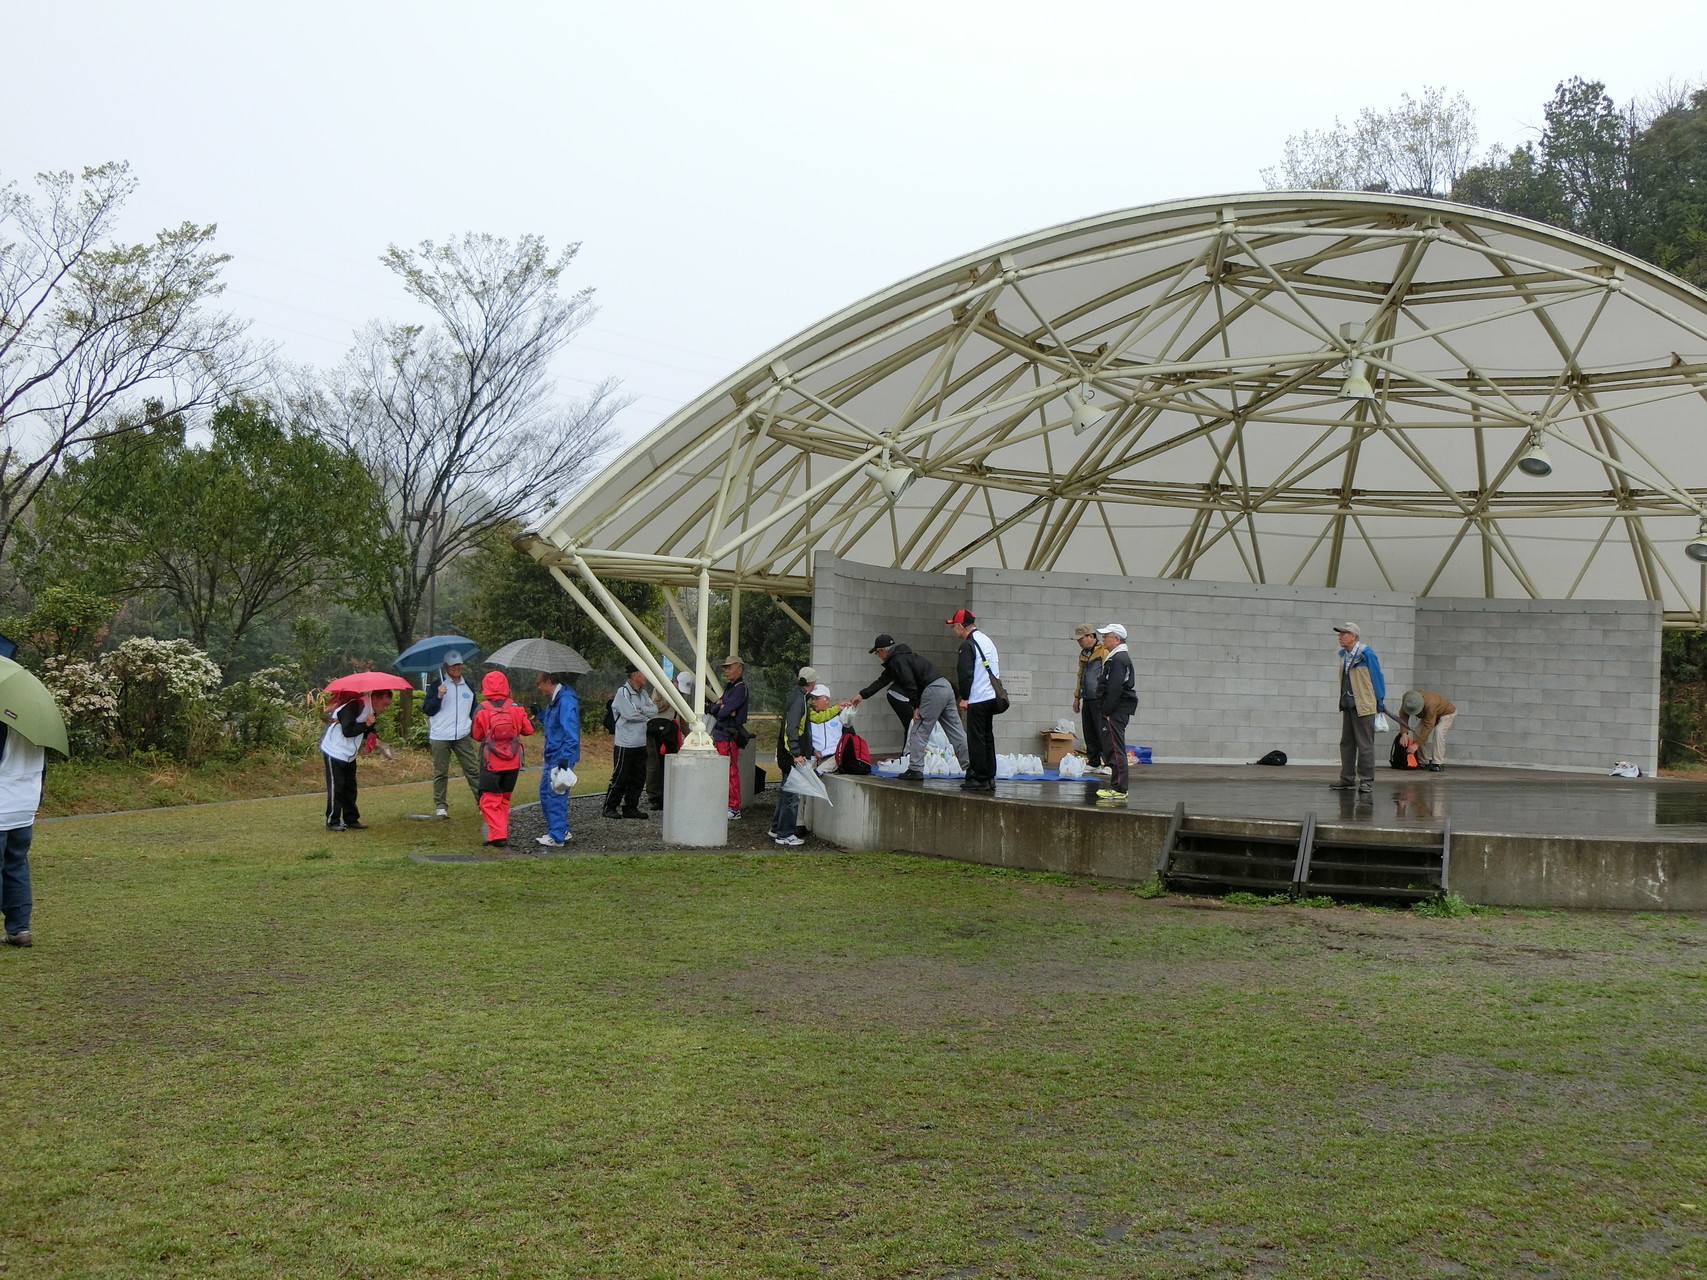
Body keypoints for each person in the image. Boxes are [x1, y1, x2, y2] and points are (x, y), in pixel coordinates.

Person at [843, 634, 968, 780]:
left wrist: (916, 706)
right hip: (945, 686)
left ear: (883, 650)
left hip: (932, 690)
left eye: (877, 653)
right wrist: (862, 695)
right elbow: (882, 681)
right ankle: (971, 767)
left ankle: (915, 769)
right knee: (956, 730)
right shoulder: (903, 657)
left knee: (918, 730)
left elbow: (909, 682)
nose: (878, 656)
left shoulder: (897, 660)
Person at [471, 670, 534, 845]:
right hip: (513, 762)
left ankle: (498, 835)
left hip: (491, 763)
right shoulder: (516, 707)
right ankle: (496, 834)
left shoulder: (482, 708)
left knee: (489, 800)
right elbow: (529, 730)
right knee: (504, 799)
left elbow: (476, 735)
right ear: (506, 685)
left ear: (485, 686)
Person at [0, 723, 46, 947]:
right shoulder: (37, 725)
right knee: (16, 866)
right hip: (25, 804)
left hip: (3, 801)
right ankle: (19, 929)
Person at [321, 689, 392, 831]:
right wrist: (366, 724)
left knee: (350, 788)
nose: (385, 708)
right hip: (334, 750)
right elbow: (347, 731)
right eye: (385, 704)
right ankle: (333, 821)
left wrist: (377, 742)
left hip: (349, 754)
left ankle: (351, 819)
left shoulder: (371, 710)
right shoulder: (355, 705)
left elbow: (368, 731)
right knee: (337, 788)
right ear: (375, 698)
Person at [1331, 622, 1388, 794]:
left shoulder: (1366, 654)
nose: (1340, 637)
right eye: (1340, 634)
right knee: (1346, 743)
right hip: (1348, 704)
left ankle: (1366, 780)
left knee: (1365, 745)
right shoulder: (1344, 655)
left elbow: (1377, 677)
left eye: (1343, 634)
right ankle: (1347, 778)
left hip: (1364, 705)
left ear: (1353, 636)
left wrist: (1379, 701)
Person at [421, 651, 478, 819]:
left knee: (472, 769)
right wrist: (438, 696)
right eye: (453, 665)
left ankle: (483, 802)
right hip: (440, 735)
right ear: (446, 667)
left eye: (459, 664)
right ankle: (440, 806)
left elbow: (473, 709)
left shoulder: (468, 685)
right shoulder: (437, 685)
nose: (456, 668)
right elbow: (428, 709)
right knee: (441, 772)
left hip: (462, 734)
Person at [949, 608, 1001, 793]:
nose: (954, 630)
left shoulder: (967, 645)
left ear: (960, 626)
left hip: (977, 697)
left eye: (954, 626)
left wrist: (965, 697)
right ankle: (990, 777)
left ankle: (979, 778)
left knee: (976, 739)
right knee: (987, 737)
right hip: (991, 696)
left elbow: (965, 674)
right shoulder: (986, 640)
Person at [534, 670, 581, 846]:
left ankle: (556, 836)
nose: (539, 688)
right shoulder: (557, 700)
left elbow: (570, 731)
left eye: (539, 684)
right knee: (548, 794)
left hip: (559, 756)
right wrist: (540, 714)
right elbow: (554, 725)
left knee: (554, 796)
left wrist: (565, 757)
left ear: (548, 682)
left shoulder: (565, 700)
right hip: (555, 754)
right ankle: (560, 829)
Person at [605, 664, 657, 819]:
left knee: (638, 777)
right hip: (625, 743)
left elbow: (654, 710)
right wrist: (644, 713)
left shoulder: (643, 693)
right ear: (635, 675)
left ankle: (630, 807)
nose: (646, 677)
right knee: (620, 776)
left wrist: (641, 710)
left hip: (640, 742)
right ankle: (609, 806)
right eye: (643, 673)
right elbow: (629, 714)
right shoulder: (623, 692)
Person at [1093, 624, 1138, 801]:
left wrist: (1106, 710)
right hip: (1116, 709)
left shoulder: (1119, 659)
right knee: (1112, 747)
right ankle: (1117, 786)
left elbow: (1115, 687)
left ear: (1117, 639)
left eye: (1107, 637)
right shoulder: (1117, 657)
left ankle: (1119, 788)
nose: (1103, 640)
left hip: (1115, 710)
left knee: (1114, 747)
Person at [769, 677, 815, 847]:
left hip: (786, 754)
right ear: (812, 683)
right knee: (792, 797)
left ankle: (776, 828)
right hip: (791, 756)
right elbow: (791, 729)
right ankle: (785, 834)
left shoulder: (796, 696)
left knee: (785, 793)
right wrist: (796, 753)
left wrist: (836, 709)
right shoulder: (799, 700)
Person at [710, 656, 749, 818]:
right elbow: (715, 708)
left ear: (739, 669)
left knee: (730, 771)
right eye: (725, 668)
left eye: (729, 667)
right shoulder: (731, 687)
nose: (726, 671)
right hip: (721, 734)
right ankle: (726, 803)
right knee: (723, 771)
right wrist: (720, 707)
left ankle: (734, 807)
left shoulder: (739, 689)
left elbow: (722, 710)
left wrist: (721, 707)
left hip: (728, 736)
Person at [1071, 624, 1108, 771]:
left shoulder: (1103, 651)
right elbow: (1080, 675)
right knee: (1089, 731)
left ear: (1091, 636)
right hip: (1087, 696)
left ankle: (1108, 763)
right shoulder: (1083, 654)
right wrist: (1077, 696)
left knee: (1101, 731)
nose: (1079, 642)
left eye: (1081, 639)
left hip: (1099, 698)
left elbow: (1107, 674)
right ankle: (1094, 761)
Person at [1398, 688, 1457, 773]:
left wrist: (1416, 744)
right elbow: (1403, 716)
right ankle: (1423, 761)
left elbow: (1428, 726)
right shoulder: (1407, 699)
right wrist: (1404, 733)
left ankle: (1438, 762)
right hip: (1430, 714)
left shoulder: (1430, 704)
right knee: (1417, 733)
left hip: (1447, 713)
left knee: (1438, 732)